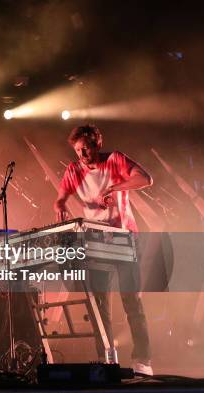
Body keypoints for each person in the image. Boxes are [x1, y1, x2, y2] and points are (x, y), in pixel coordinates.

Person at [53, 124, 153, 376]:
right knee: (99, 305)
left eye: (86, 147)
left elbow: (146, 179)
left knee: (132, 301)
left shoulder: (115, 159)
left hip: (123, 237)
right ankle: (107, 359)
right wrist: (60, 205)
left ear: (97, 143)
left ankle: (143, 360)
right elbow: (61, 196)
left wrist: (113, 188)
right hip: (95, 242)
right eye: (78, 150)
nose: (82, 154)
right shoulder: (73, 170)